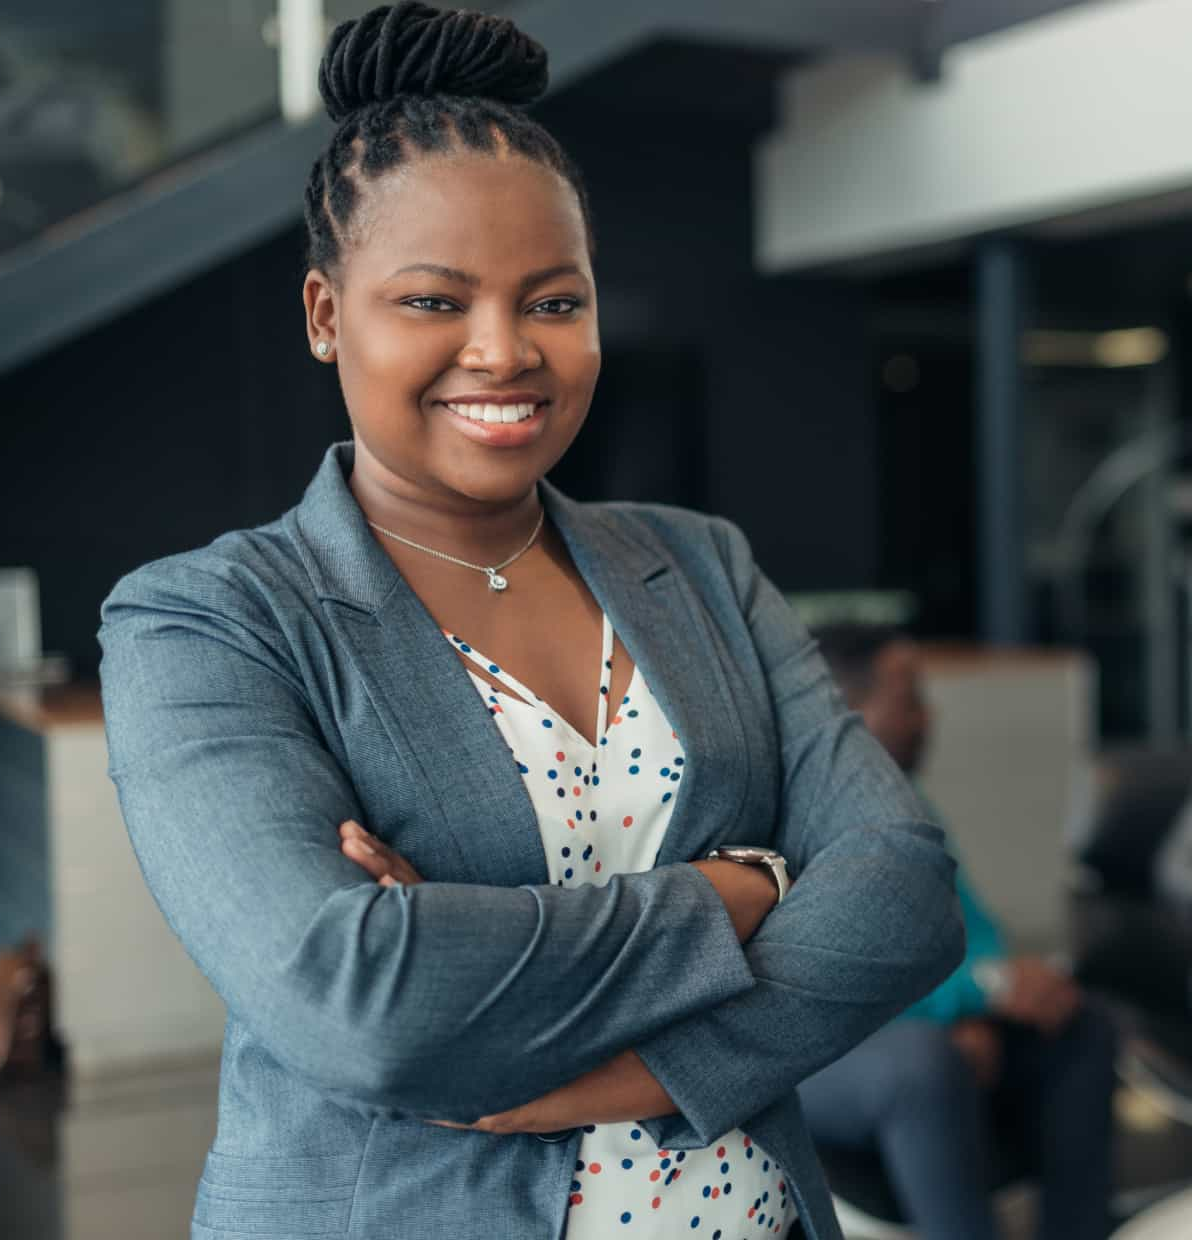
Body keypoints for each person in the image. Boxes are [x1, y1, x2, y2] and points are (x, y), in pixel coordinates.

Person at [95, 8, 963, 1238]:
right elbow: (363, 1000)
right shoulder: (207, 620)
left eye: (552, 302)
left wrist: (654, 1069)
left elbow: (904, 889)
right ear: (326, 315)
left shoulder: (699, 561)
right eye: (434, 300)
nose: (502, 352)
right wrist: (746, 883)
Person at [799, 624, 1117, 1240]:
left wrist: (992, 990)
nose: (928, 714)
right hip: (815, 1055)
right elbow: (833, 974)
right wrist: (973, 997)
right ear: (846, 709)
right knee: (923, 1064)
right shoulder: (797, 814)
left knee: (1080, 1024)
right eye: (910, 698)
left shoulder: (909, 803)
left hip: (923, 1023)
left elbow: (975, 928)